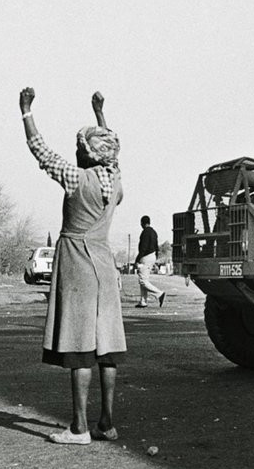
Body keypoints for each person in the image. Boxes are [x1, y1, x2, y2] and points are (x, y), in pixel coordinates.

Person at [20, 87, 125, 445]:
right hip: (104, 265)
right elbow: (113, 156)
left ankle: (79, 428)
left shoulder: (76, 179)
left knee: (80, 348)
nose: (76, 152)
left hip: (78, 263)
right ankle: (106, 423)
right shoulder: (115, 183)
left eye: (80, 148)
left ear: (85, 153)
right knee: (106, 348)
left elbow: (40, 150)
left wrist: (26, 111)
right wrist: (100, 115)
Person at [135, 215, 165, 308]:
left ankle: (159, 294)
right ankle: (143, 301)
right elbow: (156, 246)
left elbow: (143, 248)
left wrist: (137, 259)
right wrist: (155, 257)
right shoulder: (154, 232)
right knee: (144, 278)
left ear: (142, 223)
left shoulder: (145, 232)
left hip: (146, 257)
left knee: (142, 280)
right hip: (152, 256)